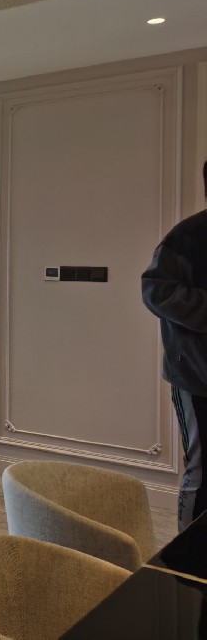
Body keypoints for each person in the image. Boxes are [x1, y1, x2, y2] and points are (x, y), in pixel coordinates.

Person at [142, 161, 207, 531]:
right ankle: (187, 557)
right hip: (196, 376)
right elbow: (156, 291)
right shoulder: (189, 236)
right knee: (201, 470)